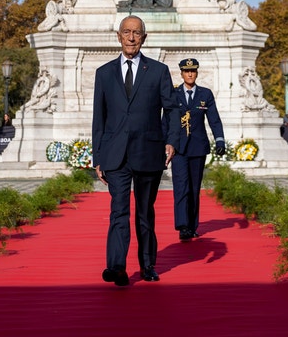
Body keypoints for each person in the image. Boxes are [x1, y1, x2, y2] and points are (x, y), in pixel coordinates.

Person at [92, 15, 180, 286]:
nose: (131, 37)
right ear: (118, 36)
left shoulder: (158, 71)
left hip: (149, 152)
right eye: (126, 32)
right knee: (119, 211)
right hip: (116, 155)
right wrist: (98, 157)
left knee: (144, 213)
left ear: (144, 37)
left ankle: (147, 264)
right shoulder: (104, 73)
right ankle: (117, 266)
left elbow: (173, 109)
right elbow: (99, 117)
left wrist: (171, 140)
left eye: (136, 33)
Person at [168, 58, 225, 242]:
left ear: (196, 73)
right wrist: (164, 144)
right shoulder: (174, 94)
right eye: (186, 71)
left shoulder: (205, 94)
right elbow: (166, 121)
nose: (190, 74)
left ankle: (192, 226)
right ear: (182, 73)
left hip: (198, 148)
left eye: (193, 71)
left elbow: (214, 119)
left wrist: (219, 140)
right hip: (179, 148)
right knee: (180, 187)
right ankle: (183, 226)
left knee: (193, 188)